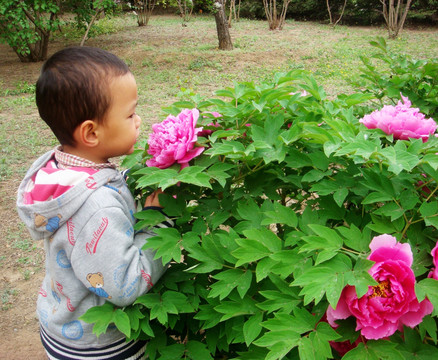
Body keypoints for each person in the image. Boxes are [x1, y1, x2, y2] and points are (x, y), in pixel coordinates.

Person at [16, 46, 172, 360]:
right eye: (130, 114)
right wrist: (158, 220)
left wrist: (134, 177)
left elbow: (102, 180)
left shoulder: (58, 169)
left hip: (62, 322)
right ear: (91, 132)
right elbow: (125, 285)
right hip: (100, 345)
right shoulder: (96, 207)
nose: (138, 120)